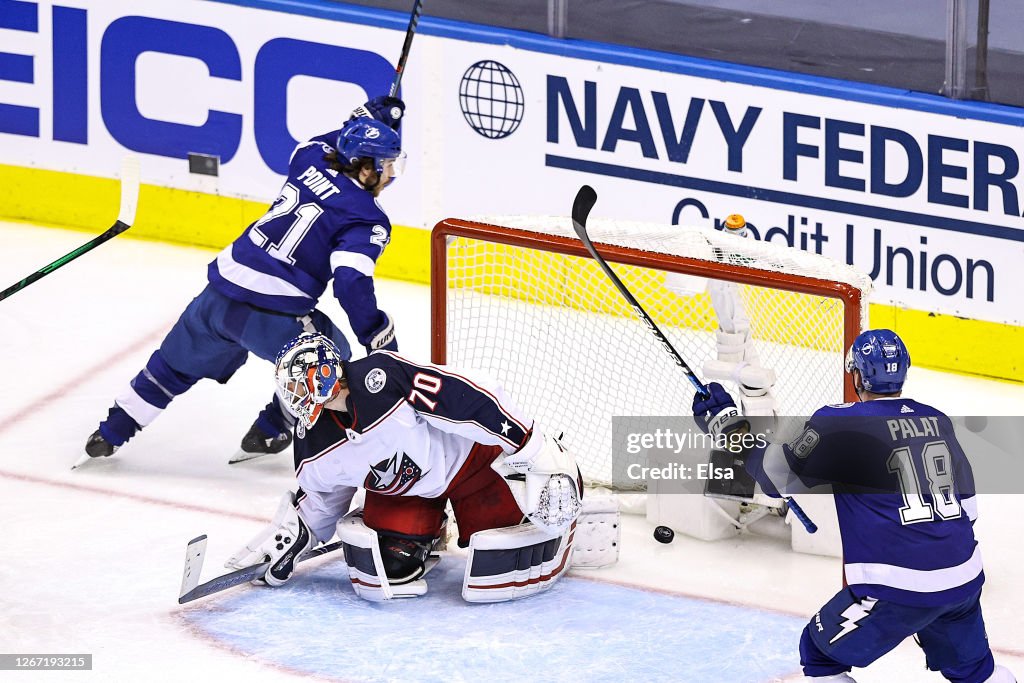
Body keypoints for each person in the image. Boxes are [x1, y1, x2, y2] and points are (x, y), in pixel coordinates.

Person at [79, 96, 407, 465]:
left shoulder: (309, 158)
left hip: (219, 295)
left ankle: (110, 432)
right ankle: (273, 428)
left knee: (170, 367)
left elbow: (333, 142)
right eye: (388, 164)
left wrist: (366, 121)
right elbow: (350, 283)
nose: (392, 174)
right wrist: (375, 333)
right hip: (274, 316)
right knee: (333, 358)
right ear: (365, 168)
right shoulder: (365, 218)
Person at [692, 329, 1015, 683]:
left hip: (898, 588)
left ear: (858, 375)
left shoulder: (840, 421)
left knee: (819, 655)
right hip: (964, 578)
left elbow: (772, 478)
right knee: (973, 671)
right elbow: (968, 509)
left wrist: (728, 426)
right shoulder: (937, 419)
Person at [225, 333, 599, 603]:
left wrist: (530, 446)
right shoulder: (313, 443)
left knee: (500, 565)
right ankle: (430, 530)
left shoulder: (383, 379)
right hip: (409, 491)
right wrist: (292, 538)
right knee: (389, 570)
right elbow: (323, 495)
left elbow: (464, 396)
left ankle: (564, 491)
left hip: (474, 466)